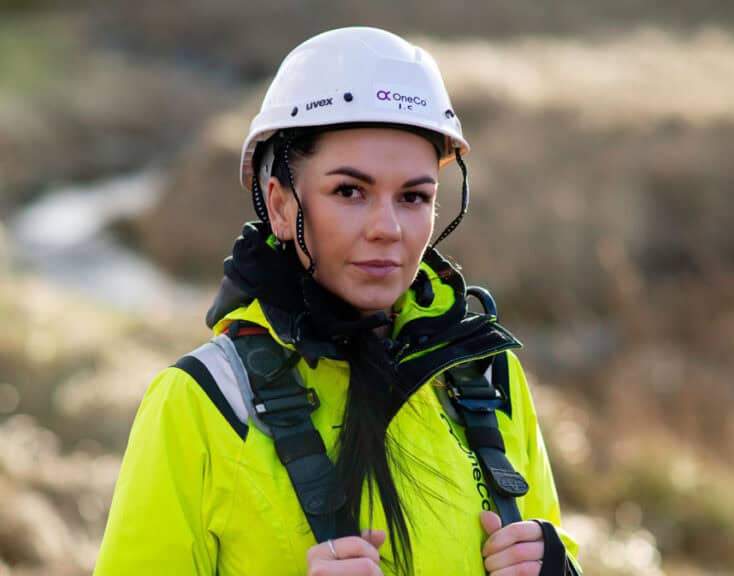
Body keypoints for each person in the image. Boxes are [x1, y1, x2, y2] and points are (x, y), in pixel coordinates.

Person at [93, 26, 582, 576]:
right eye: (350, 191)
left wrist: (559, 571)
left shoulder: (490, 378)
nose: (388, 228)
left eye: (414, 196)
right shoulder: (202, 403)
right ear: (280, 206)